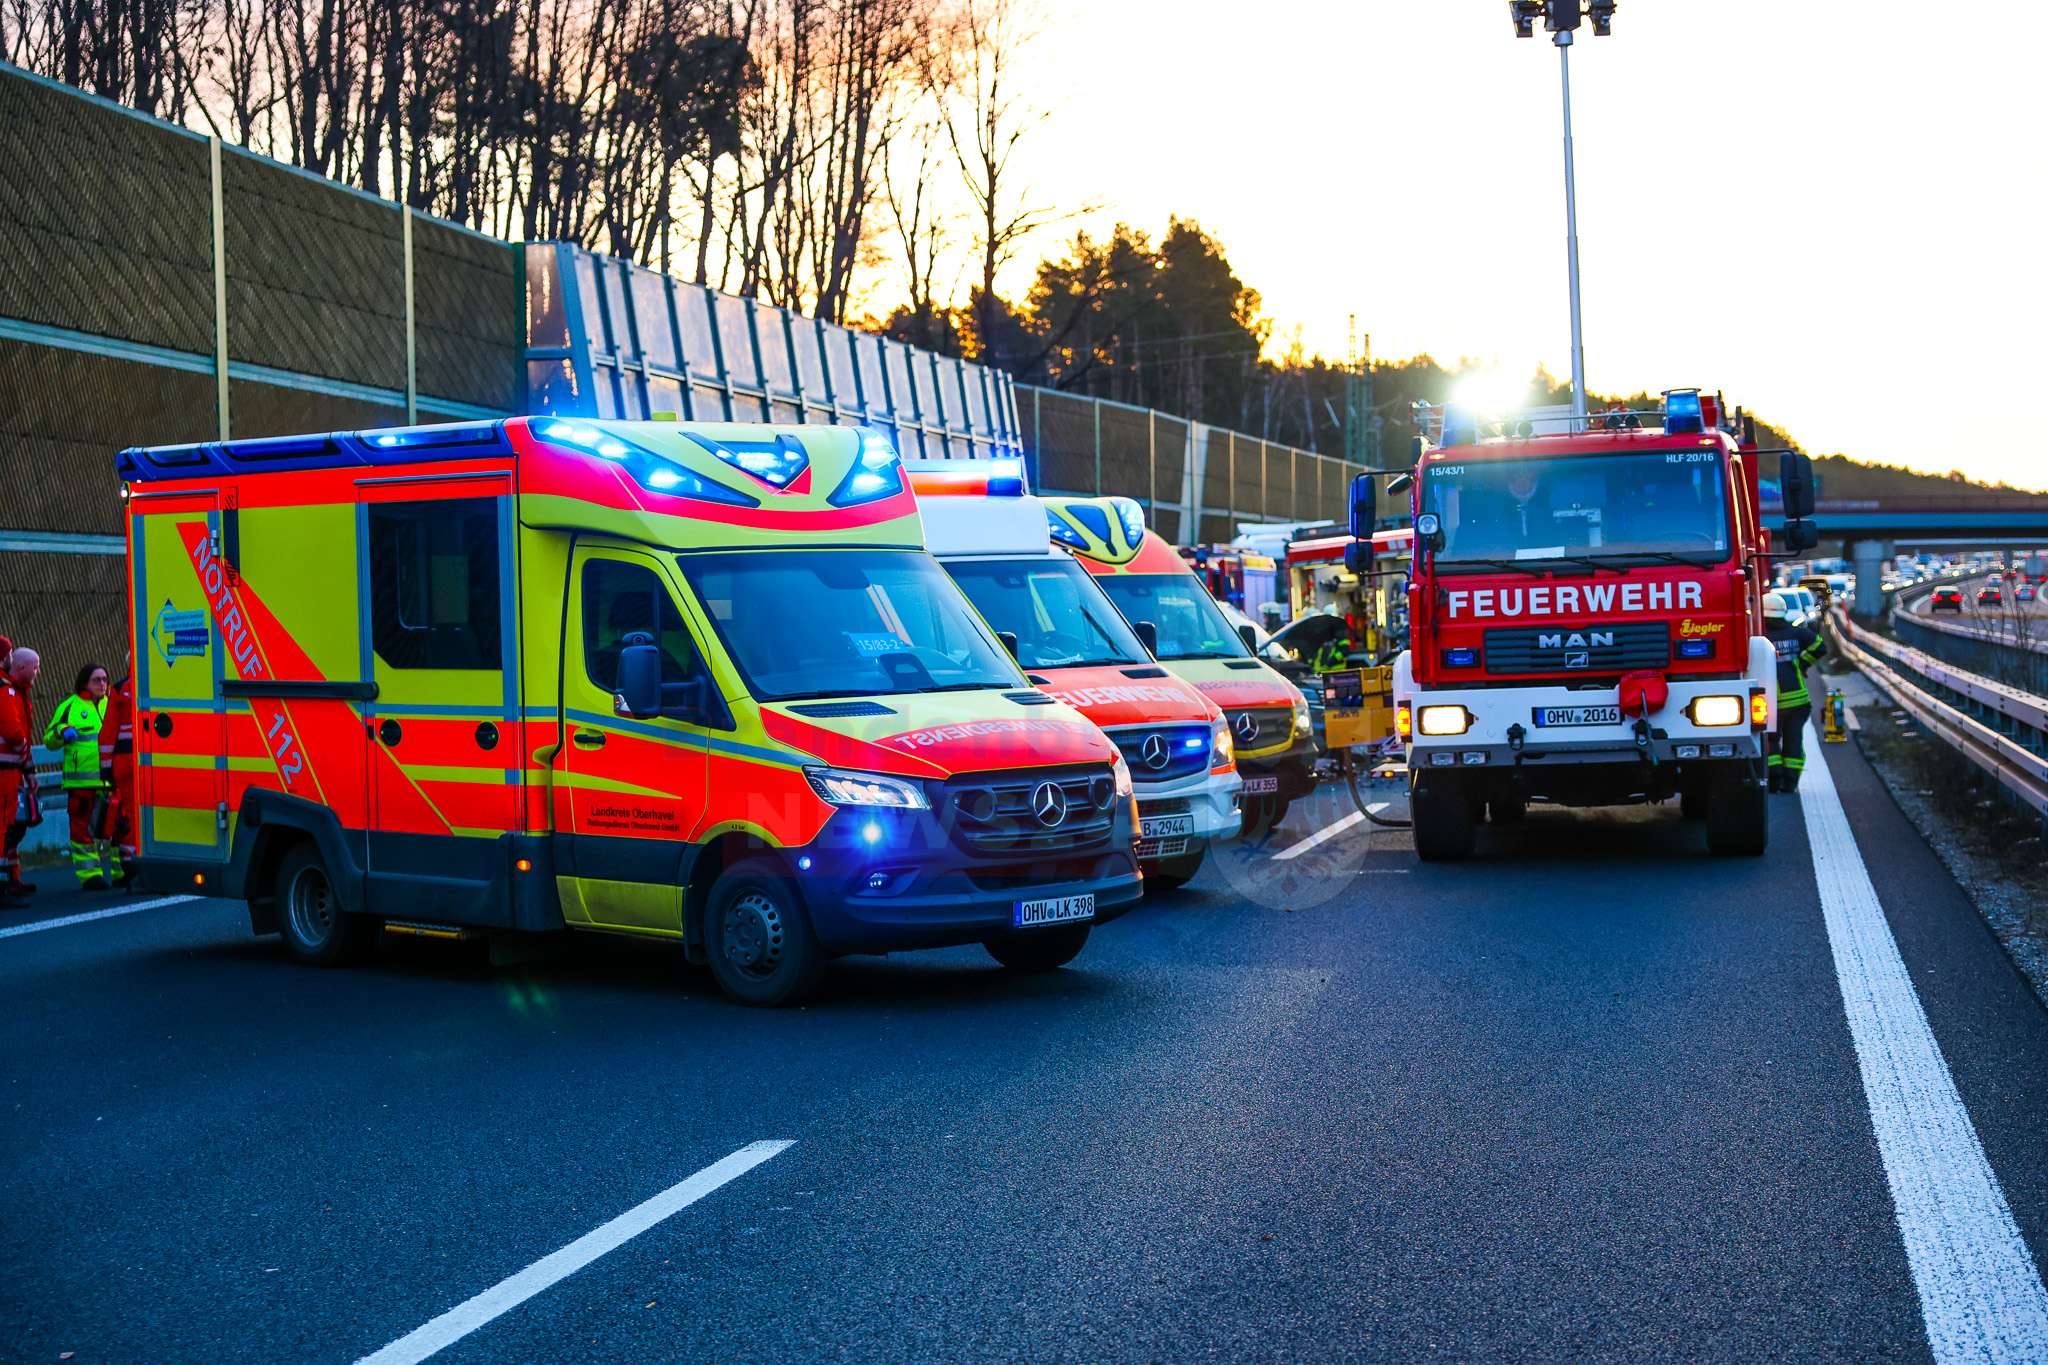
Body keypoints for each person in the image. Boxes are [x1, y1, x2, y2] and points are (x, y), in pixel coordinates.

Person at [44, 662, 113, 890]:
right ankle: (90, 875)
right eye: (96, 680)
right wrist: (62, 732)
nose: (102, 684)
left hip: (110, 780)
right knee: (82, 829)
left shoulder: (114, 704)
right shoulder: (70, 707)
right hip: (81, 781)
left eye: (104, 679)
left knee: (117, 827)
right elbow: (49, 739)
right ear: (85, 682)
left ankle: (122, 871)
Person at [1763, 591, 1827, 793]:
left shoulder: (1759, 637)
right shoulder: (1796, 633)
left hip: (1770, 704)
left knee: (1770, 740)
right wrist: (1802, 663)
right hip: (1798, 702)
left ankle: (1774, 781)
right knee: (1793, 741)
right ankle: (1790, 783)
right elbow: (1820, 646)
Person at [0, 643, 42, 902]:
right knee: (4, 825)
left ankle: (10, 878)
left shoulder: (15, 691)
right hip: (5, 770)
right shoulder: (6, 691)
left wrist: (28, 769)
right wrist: (25, 751)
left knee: (10, 827)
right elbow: (14, 732)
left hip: (12, 768)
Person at [100, 658, 137, 889]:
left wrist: (105, 768)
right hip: (159, 762)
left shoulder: (119, 689)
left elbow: (107, 733)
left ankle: (130, 866)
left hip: (124, 761)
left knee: (129, 815)